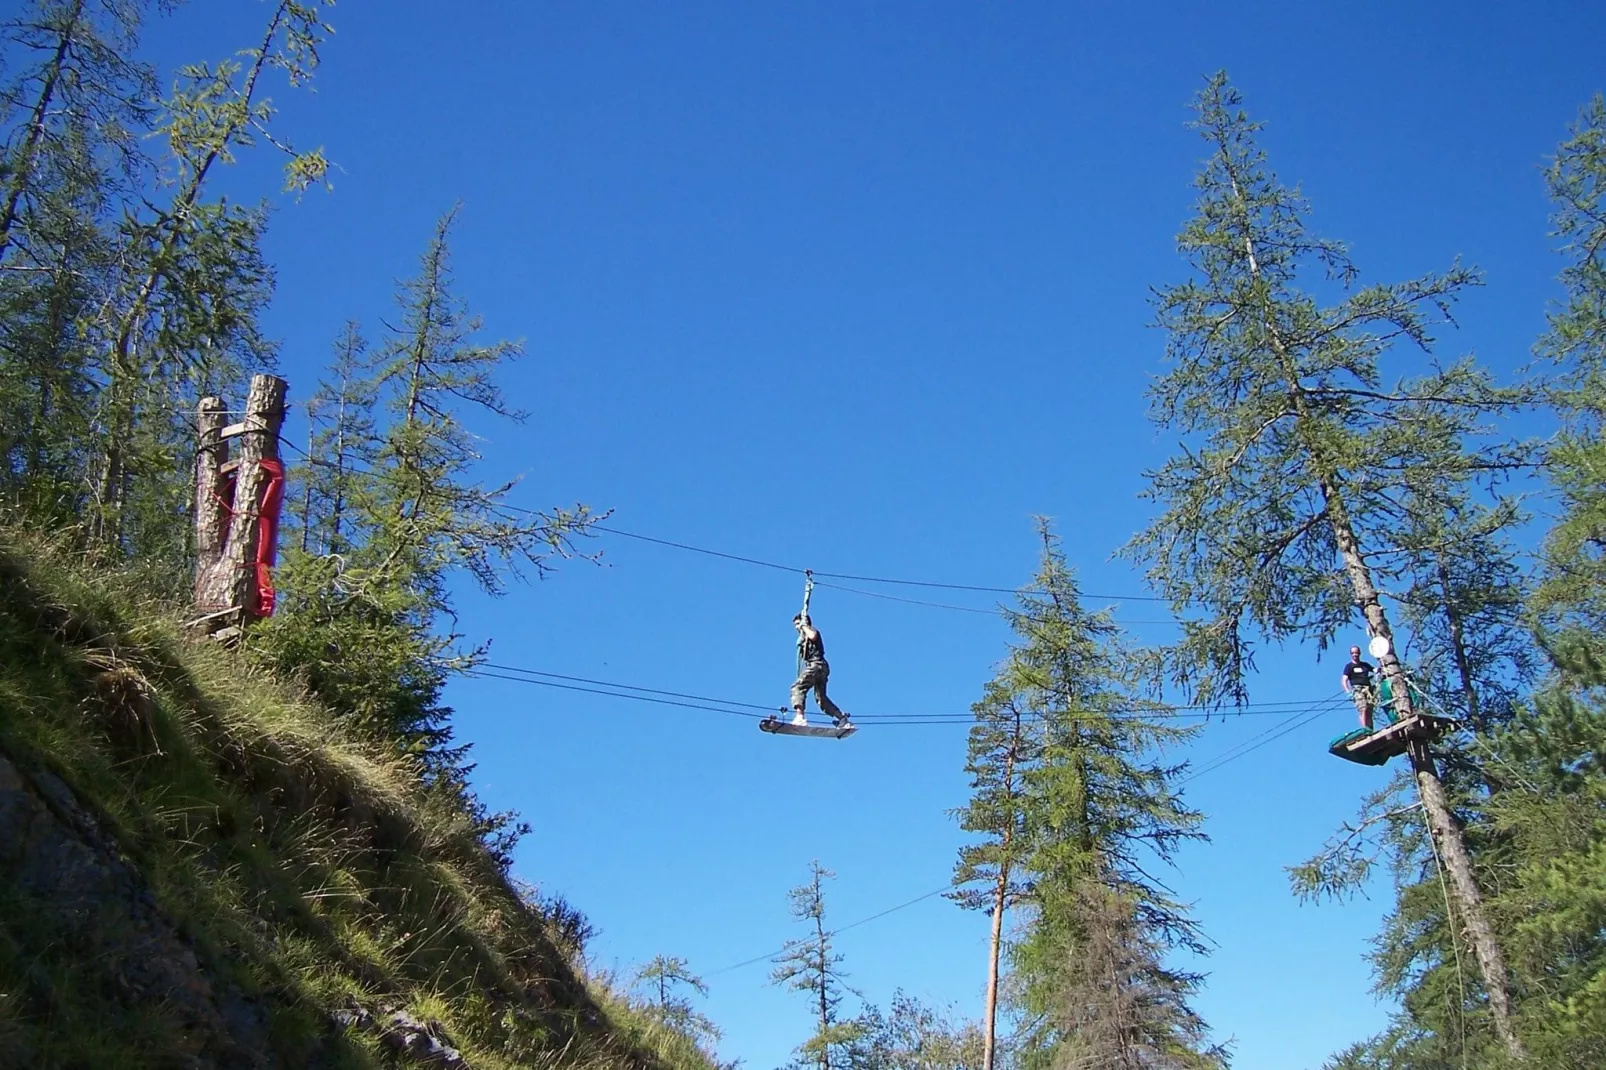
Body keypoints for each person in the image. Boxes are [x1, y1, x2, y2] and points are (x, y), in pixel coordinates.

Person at [791, 612, 849, 727]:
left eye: (798, 624)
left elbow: (813, 636)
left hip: (816, 665)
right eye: (795, 625)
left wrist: (804, 626)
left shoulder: (811, 631)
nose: (797, 627)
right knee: (821, 699)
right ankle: (842, 719)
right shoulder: (803, 638)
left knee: (797, 687)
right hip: (820, 667)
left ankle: (800, 717)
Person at [1340, 645, 1376, 731]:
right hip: (1358, 690)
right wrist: (1348, 691)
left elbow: (1374, 670)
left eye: (1356, 653)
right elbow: (1344, 680)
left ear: (1359, 653)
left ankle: (1371, 729)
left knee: (1369, 710)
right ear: (1351, 654)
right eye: (1353, 653)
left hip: (1368, 690)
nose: (1355, 654)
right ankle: (1365, 729)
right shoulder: (1349, 666)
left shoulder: (1365, 665)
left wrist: (1379, 669)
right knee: (1363, 708)